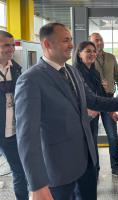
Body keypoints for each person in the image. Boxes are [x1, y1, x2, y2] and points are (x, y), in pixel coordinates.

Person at [14, 22, 118, 200]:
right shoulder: (31, 80)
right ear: (47, 44)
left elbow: (92, 100)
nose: (71, 44)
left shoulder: (71, 71)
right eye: (65, 41)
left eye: (70, 40)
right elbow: (26, 138)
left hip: (86, 162)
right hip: (58, 170)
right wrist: (37, 185)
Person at [73, 41, 118, 182]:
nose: (92, 54)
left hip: (98, 110)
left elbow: (100, 94)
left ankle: (109, 169)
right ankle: (92, 173)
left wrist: (111, 111)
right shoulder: (75, 71)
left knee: (110, 137)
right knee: (89, 144)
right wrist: (87, 109)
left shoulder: (94, 71)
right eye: (88, 51)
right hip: (84, 117)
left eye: (93, 51)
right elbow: (72, 97)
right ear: (79, 53)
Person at [90, 32, 118, 180]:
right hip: (92, 101)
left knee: (113, 136)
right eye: (95, 41)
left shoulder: (111, 58)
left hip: (109, 99)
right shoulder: (87, 59)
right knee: (92, 137)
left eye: (100, 40)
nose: (98, 43)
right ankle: (95, 169)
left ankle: (115, 167)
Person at [0, 30, 29, 200]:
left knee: (20, 172)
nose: (11, 49)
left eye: (12, 45)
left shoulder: (17, 69)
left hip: (11, 132)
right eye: (6, 45)